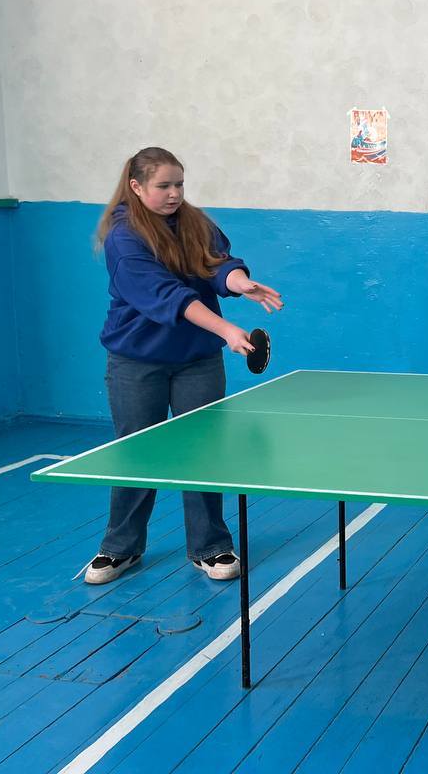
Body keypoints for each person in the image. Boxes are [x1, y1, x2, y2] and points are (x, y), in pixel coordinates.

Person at [83, 147, 283, 585]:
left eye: (179, 184)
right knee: (138, 452)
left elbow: (216, 265)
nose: (174, 193)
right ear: (136, 187)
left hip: (197, 361)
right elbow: (168, 297)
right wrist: (226, 329)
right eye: (164, 186)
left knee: (203, 451)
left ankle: (210, 546)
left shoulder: (194, 222)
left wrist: (240, 282)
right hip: (137, 362)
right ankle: (121, 547)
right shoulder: (123, 237)